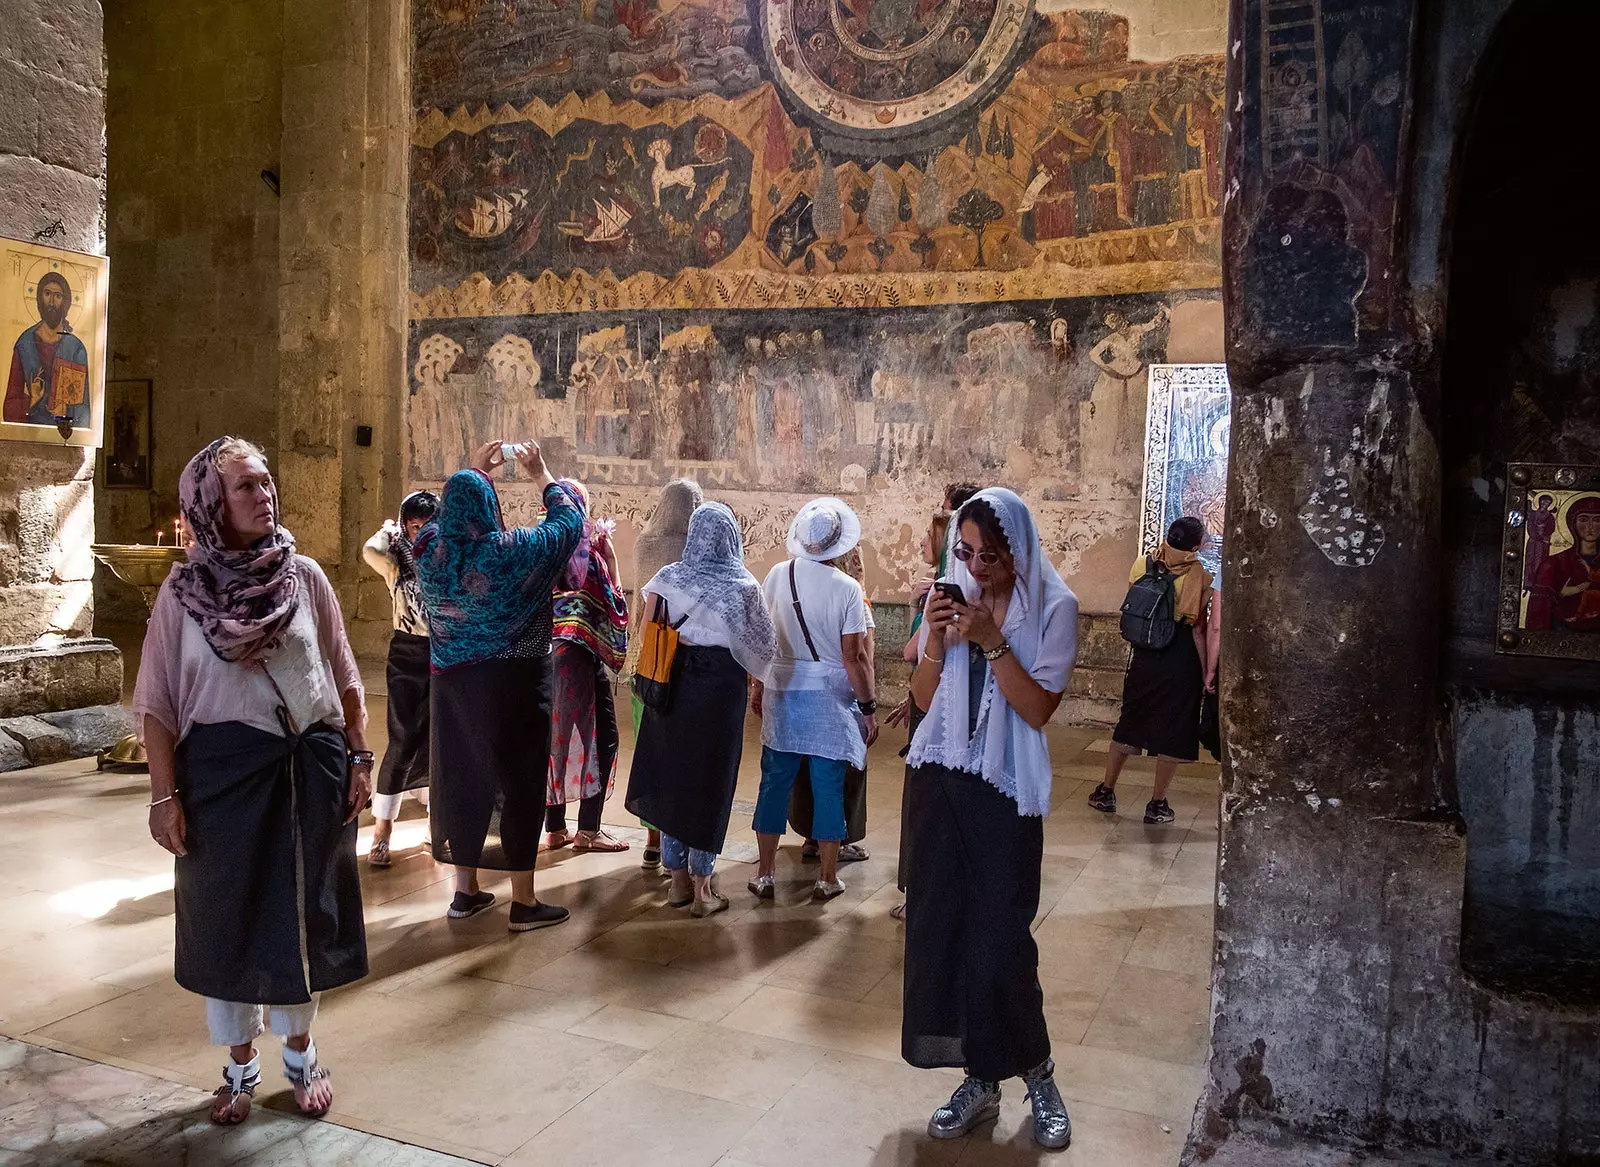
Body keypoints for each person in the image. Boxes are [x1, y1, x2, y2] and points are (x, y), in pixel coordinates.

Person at [134, 437, 370, 1126]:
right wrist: (161, 794)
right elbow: (155, 704)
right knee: (227, 919)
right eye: (244, 486)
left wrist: (358, 756)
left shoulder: (305, 577)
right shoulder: (180, 597)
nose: (263, 495)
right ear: (210, 503)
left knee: (304, 914)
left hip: (308, 770)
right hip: (222, 782)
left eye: (266, 482)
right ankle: (238, 1066)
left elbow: (344, 674)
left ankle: (300, 1051)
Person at [900, 487, 1079, 1149]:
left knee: (1003, 944)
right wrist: (940, 642)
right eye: (966, 552)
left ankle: (1041, 1076)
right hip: (941, 783)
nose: (975, 567)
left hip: (1005, 795)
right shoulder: (946, 596)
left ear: (1018, 551)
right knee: (946, 937)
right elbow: (922, 699)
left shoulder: (1054, 607)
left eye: (990, 556)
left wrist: (993, 640)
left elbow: (1036, 710)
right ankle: (980, 1081)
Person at [415, 439, 585, 931]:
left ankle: (465, 893)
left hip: (452, 685)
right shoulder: (511, 552)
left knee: (463, 778)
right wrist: (541, 473)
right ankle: (524, 902)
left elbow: (435, 520)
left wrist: (470, 472)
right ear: (491, 508)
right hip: (515, 685)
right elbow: (569, 524)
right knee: (519, 781)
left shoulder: (429, 551)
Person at [625, 502, 777, 916]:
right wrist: (758, 688)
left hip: (670, 685)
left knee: (672, 776)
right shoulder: (743, 585)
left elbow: (645, 633)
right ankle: (703, 888)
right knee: (711, 780)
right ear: (730, 537)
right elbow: (763, 647)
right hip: (719, 692)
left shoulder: (667, 578)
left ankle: (675, 881)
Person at [749, 497, 878, 902]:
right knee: (828, 786)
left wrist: (757, 686)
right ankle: (826, 877)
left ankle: (765, 874)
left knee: (774, 783)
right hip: (827, 699)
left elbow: (762, 639)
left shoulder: (776, 575)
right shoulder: (847, 589)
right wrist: (869, 707)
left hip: (782, 692)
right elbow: (854, 656)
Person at [888, 482, 979, 921]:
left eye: (934, 528)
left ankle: (920, 890)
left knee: (926, 805)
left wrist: (919, 609)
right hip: (935, 700)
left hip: (942, 710)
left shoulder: (941, 593)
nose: (924, 540)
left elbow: (913, 652)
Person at [1088, 516, 1217, 824]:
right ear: (1196, 546)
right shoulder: (1199, 576)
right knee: (1174, 729)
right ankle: (1157, 803)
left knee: (1131, 720)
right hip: (1180, 656)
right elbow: (1198, 629)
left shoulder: (1143, 562)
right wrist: (1205, 671)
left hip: (1144, 654)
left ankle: (1106, 791)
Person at [544, 478, 631, 854]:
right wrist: (610, 560)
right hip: (579, 660)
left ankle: (556, 827)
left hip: (541, 659)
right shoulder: (587, 559)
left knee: (553, 740)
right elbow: (615, 612)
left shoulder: (541, 551)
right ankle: (589, 830)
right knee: (601, 738)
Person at [626, 478, 704, 872]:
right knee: (682, 752)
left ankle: (652, 842)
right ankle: (681, 841)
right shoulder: (695, 549)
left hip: (646, 660)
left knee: (647, 750)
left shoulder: (644, 544)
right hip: (683, 664)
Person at [361, 490, 439, 868]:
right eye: (413, 525)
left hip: (443, 654)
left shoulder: (444, 558)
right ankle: (382, 830)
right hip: (407, 655)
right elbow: (369, 552)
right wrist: (389, 531)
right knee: (403, 737)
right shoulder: (395, 561)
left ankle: (435, 825)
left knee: (440, 739)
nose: (421, 532)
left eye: (428, 525)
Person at [792, 543, 874, 864]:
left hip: (800, 697)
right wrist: (869, 705)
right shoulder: (853, 598)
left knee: (807, 768)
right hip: (841, 700)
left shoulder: (803, 592)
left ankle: (811, 839)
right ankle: (836, 845)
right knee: (841, 775)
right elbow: (861, 657)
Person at [4, 271, 91, 426]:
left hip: (61, 434)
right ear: (39, 298)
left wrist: (65, 412)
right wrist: (32, 399)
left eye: (58, 296)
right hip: (31, 434)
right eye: (47, 294)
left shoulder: (76, 348)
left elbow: (84, 411)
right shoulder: (24, 344)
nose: (51, 302)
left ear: (65, 302)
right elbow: (9, 405)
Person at [1526, 496, 1600, 630]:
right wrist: (1561, 595)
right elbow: (1538, 613)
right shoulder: (1554, 564)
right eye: (1583, 519)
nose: (1590, 526)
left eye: (1597, 520)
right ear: (1573, 524)